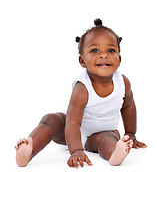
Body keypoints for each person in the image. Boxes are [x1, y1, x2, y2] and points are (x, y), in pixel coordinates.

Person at [15, 19, 147, 168]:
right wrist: (76, 150)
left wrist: (131, 134)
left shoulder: (122, 82)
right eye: (94, 51)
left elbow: (128, 107)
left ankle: (114, 155)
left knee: (108, 139)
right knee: (51, 119)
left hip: (102, 133)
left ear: (119, 59)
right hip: (70, 132)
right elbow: (72, 122)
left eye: (111, 50)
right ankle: (28, 152)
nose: (104, 55)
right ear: (82, 61)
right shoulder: (82, 88)